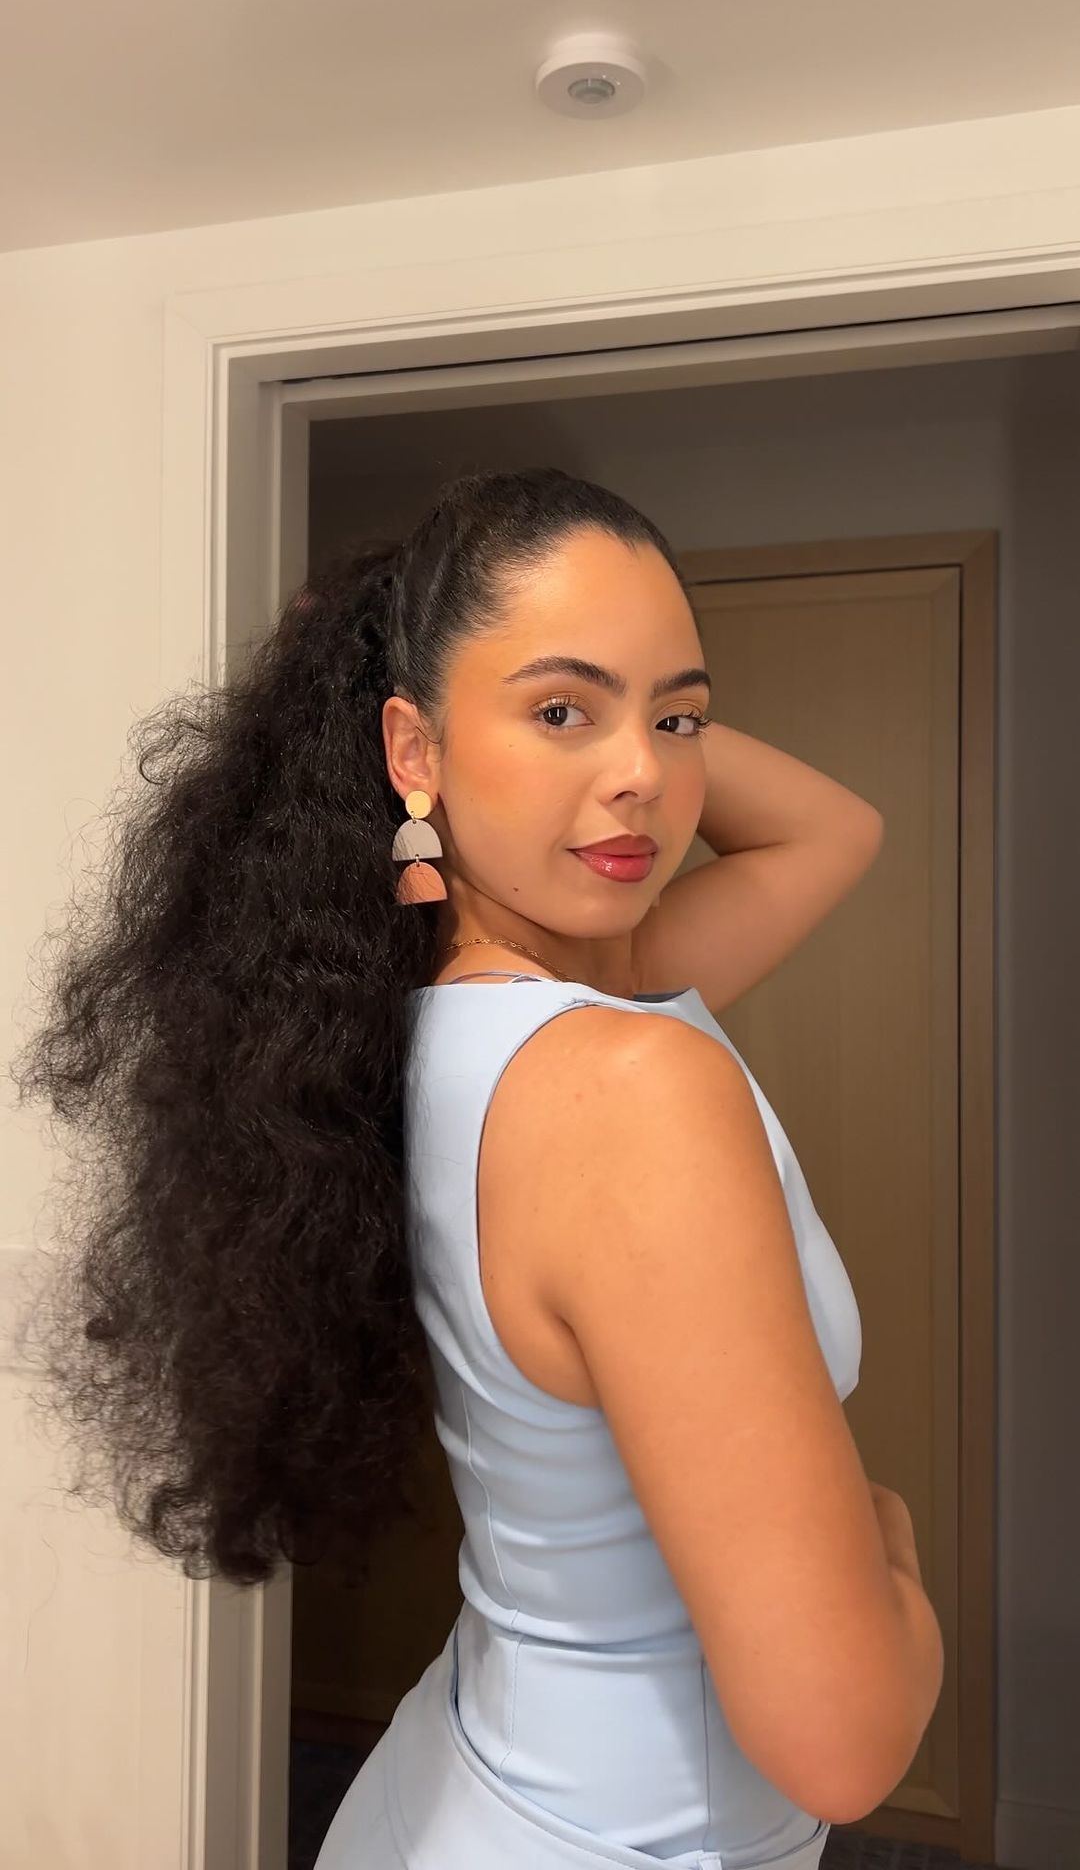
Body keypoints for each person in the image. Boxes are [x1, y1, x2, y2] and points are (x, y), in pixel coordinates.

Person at [12, 467, 943, 1870]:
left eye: (680, 716)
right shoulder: (623, 1086)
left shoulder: (440, 1026)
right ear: (414, 750)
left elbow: (833, 831)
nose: (644, 773)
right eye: (561, 710)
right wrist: (892, 1545)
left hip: (470, 1781)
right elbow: (844, 1747)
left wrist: (485, 677)